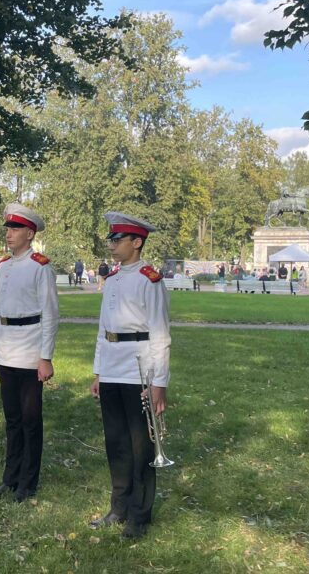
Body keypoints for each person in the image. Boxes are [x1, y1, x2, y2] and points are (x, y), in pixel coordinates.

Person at [88, 211, 171, 540]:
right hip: (112, 367)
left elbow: (160, 334)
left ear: (137, 242)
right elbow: (103, 331)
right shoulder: (112, 279)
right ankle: (118, 507)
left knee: (141, 447)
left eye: (117, 239)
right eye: (110, 239)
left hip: (139, 369)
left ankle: (139, 515)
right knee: (116, 443)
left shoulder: (150, 279)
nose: (111, 244)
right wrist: (98, 372)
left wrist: (159, 383)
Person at [0, 203, 60, 503]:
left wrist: (45, 356)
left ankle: (28, 482)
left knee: (30, 420)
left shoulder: (40, 266)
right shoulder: (2, 266)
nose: (9, 233)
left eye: (15, 229)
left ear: (30, 234)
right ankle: (10, 478)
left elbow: (50, 314)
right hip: (5, 351)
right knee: (12, 418)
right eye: (8, 228)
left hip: (29, 351)